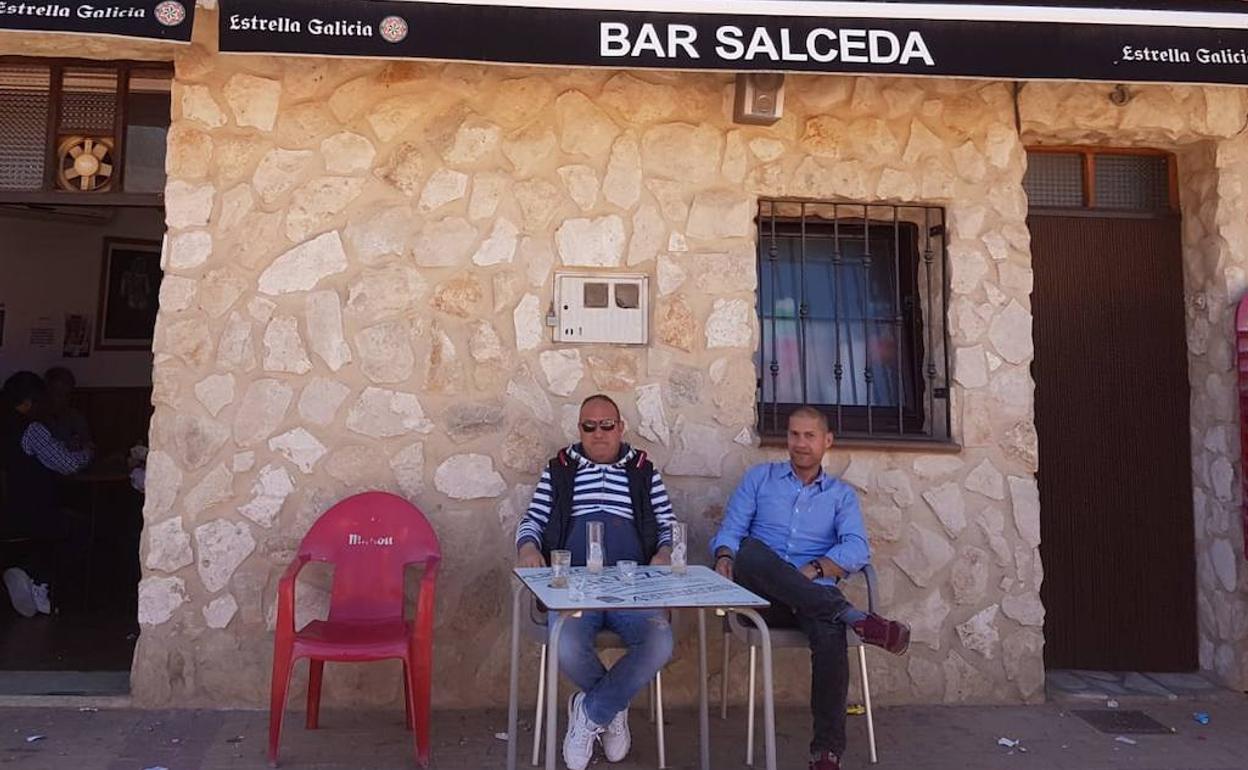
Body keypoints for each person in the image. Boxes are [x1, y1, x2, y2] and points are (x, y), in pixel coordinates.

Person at [710, 406, 911, 770]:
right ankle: (855, 616)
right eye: (793, 434)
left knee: (829, 630)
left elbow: (856, 548)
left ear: (827, 441)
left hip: (811, 600)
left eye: (809, 436)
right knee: (751, 552)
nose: (800, 443)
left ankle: (825, 754)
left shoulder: (840, 496)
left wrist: (813, 568)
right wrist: (725, 556)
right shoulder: (759, 479)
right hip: (760, 602)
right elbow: (731, 533)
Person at [515, 394, 676, 770]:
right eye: (590, 426)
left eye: (607, 426)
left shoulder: (642, 470)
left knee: (659, 641)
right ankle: (611, 708)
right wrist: (526, 546)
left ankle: (591, 712)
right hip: (573, 586)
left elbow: (667, 523)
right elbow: (532, 519)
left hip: (632, 585)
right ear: (580, 430)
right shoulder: (559, 469)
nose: (599, 434)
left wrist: (665, 551)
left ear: (620, 428)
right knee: (566, 643)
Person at [1, 371, 92, 617]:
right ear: (30, 402)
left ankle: (28, 572)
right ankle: (41, 581)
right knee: (80, 528)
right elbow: (67, 464)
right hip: (26, 513)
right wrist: (87, 452)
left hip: (8, 510)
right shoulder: (32, 430)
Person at [43, 366, 91, 447]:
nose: (64, 400)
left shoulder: (76, 417)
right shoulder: (37, 419)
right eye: (59, 394)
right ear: (47, 392)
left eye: (67, 395)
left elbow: (88, 446)